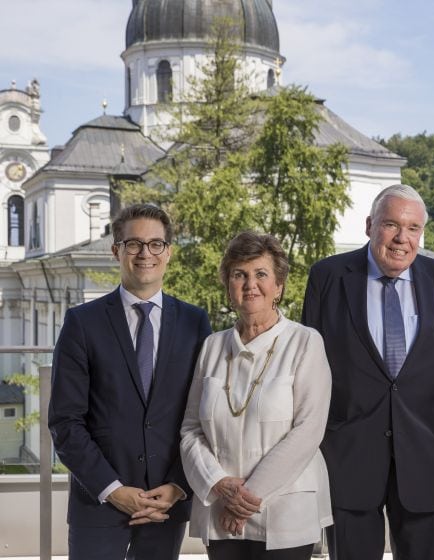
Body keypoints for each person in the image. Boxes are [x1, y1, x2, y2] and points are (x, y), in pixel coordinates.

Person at [301, 184, 434, 560]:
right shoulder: (328, 277)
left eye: (413, 228)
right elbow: (308, 377)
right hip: (348, 462)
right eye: (391, 225)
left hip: (430, 463)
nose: (402, 238)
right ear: (369, 226)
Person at [49, 203, 212, 560]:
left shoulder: (195, 323)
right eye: (133, 244)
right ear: (116, 251)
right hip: (98, 500)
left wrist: (178, 486)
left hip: (164, 502)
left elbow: (203, 416)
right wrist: (113, 489)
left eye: (155, 244)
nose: (145, 254)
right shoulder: (82, 323)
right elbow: (65, 420)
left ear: (168, 252)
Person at [180, 231, 332, 560]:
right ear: (228, 285)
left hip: (285, 510)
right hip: (220, 507)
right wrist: (218, 483)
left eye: (261, 274)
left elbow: (308, 430)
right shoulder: (212, 347)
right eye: (240, 275)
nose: (251, 284)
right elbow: (191, 428)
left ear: (278, 286)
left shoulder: (305, 342)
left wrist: (246, 497)